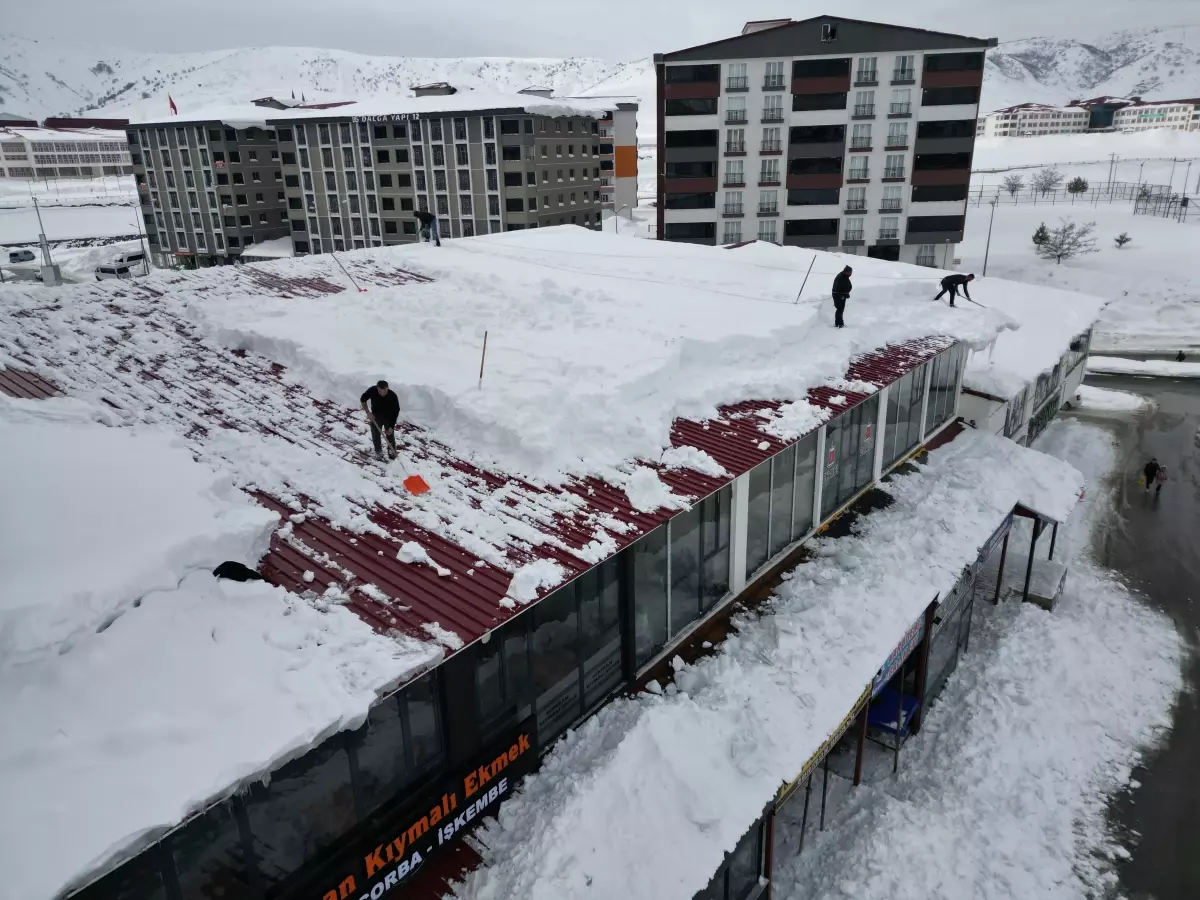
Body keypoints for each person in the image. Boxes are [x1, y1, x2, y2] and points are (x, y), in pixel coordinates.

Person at [361, 380, 400, 460]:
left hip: (388, 417)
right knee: (375, 434)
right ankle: (378, 451)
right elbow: (363, 399)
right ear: (377, 388)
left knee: (389, 434)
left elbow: (395, 412)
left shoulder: (392, 396)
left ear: (387, 388)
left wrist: (391, 426)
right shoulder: (372, 390)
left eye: (384, 391)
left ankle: (391, 451)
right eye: (380, 391)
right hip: (376, 417)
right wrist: (368, 413)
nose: (382, 393)